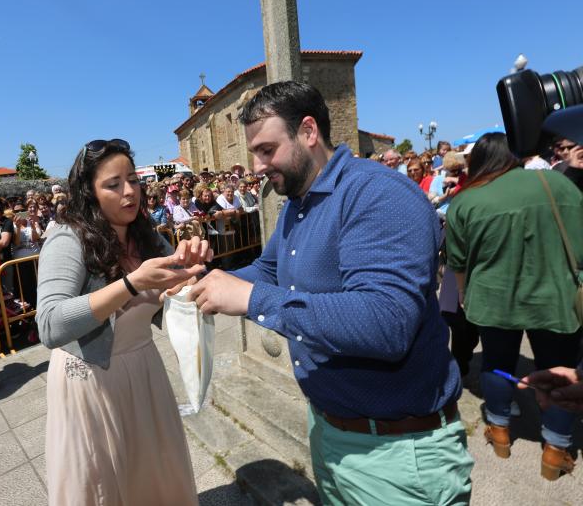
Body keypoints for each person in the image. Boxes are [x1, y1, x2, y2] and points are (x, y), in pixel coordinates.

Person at [185, 81, 472, 504]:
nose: (257, 166)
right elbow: (268, 269)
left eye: (267, 149)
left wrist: (251, 300)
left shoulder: (377, 195)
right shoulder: (298, 203)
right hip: (333, 434)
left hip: (396, 454)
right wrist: (198, 283)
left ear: (307, 131)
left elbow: (386, 323)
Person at [36, 138, 210, 505]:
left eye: (133, 179)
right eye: (113, 184)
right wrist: (131, 283)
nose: (129, 191)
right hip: (92, 380)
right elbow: (50, 324)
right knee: (104, 481)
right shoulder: (68, 238)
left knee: (153, 472)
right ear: (89, 191)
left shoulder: (146, 236)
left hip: (144, 369)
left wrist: (191, 271)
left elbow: (172, 296)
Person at [445, 132, 583, 481]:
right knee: (559, 370)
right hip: (555, 296)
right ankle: (555, 450)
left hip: (494, 299)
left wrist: (462, 295)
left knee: (496, 363)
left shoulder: (466, 201)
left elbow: (457, 264)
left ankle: (500, 430)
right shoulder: (557, 184)